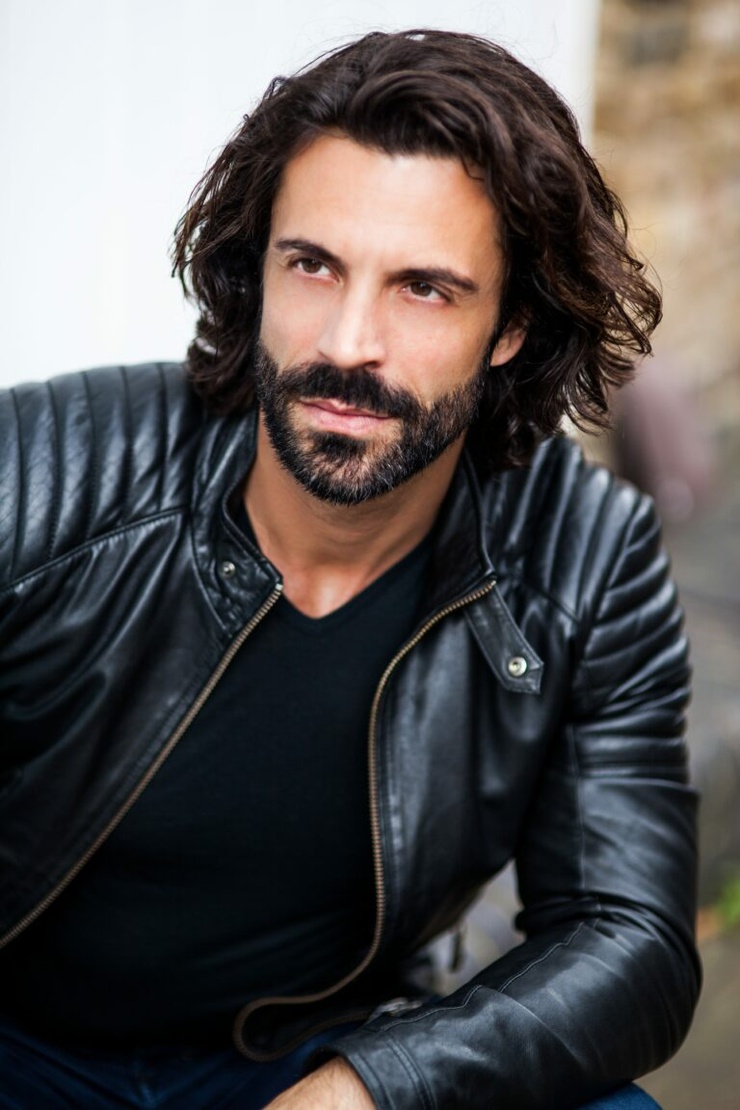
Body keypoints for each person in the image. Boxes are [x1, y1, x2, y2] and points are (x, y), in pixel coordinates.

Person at [0, 28, 699, 1110]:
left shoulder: (588, 557)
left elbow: (628, 937)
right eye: (313, 264)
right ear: (259, 268)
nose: (346, 343)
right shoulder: (46, 469)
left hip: (307, 1060)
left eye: (423, 288)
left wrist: (373, 1088)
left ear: (510, 325)